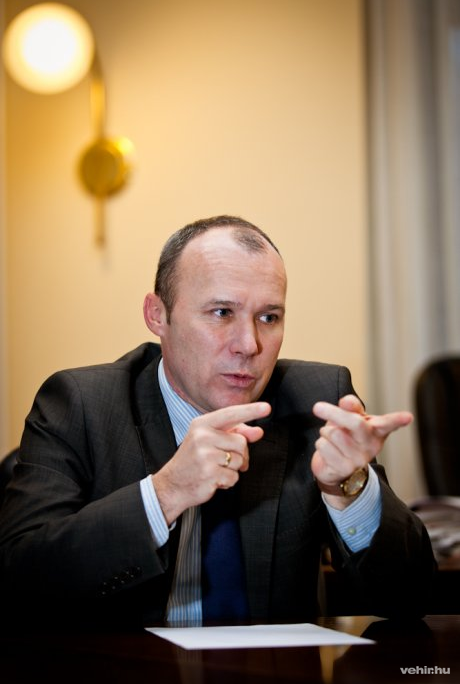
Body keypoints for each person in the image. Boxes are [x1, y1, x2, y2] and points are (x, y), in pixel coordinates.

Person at [0, 215, 436, 630]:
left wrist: (348, 488)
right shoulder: (81, 404)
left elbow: (412, 598)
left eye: (269, 317)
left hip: (277, 669)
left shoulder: (315, 402)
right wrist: (166, 493)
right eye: (222, 312)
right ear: (157, 315)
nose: (249, 345)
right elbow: (18, 580)